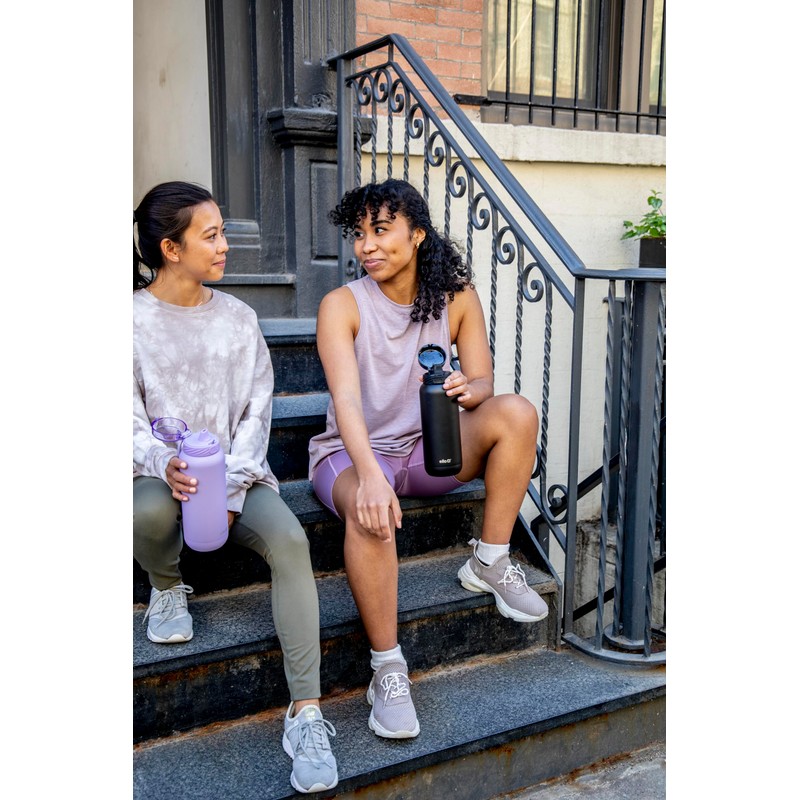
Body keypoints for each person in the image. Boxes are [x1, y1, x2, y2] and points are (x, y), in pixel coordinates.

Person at [308, 178, 548, 741]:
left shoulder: (456, 297)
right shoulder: (341, 305)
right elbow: (346, 402)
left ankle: (489, 559)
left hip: (423, 451)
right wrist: (370, 477)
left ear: (417, 235)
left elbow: (484, 381)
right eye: (359, 234)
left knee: (516, 413)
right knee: (370, 509)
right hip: (350, 453)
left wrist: (469, 389)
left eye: (380, 230)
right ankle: (388, 669)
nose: (366, 245)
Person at [133, 181, 337, 794]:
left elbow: (257, 413)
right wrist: (162, 461)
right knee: (145, 512)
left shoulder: (240, 319)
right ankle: (167, 587)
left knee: (292, 541)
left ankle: (306, 714)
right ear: (171, 248)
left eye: (223, 232)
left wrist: (229, 488)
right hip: (161, 476)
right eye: (212, 235)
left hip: (238, 477)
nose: (226, 245)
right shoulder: (125, 321)